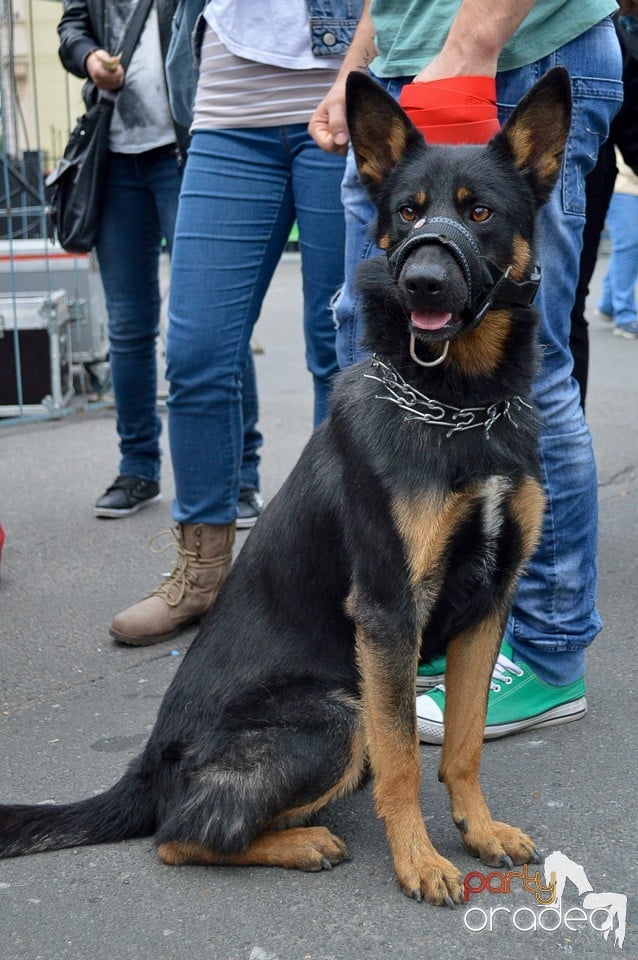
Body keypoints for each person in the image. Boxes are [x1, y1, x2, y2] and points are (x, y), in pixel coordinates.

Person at [310, 0, 624, 740]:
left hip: (509, 50)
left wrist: (474, 38)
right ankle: (412, 614)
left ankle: (548, 654)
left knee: (524, 359)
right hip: (414, 63)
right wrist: (357, 66)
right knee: (382, 348)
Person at [108, 0, 363, 646]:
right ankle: (202, 573)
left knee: (339, 354)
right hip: (227, 95)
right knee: (195, 350)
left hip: (342, 83)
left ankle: (335, 576)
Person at [58, 0, 187, 519]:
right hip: (113, 159)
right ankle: (138, 469)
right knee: (129, 328)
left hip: (185, 150)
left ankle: (240, 476)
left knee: (208, 324)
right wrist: (89, 59)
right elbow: (72, 26)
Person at [571, 11, 638, 406]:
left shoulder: (608, 26)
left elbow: (631, 127)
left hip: (585, 174)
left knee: (562, 316)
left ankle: (558, 449)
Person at [596, 149, 638, 338]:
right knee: (629, 245)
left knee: (628, 248)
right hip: (625, 185)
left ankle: (608, 304)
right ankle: (625, 315)